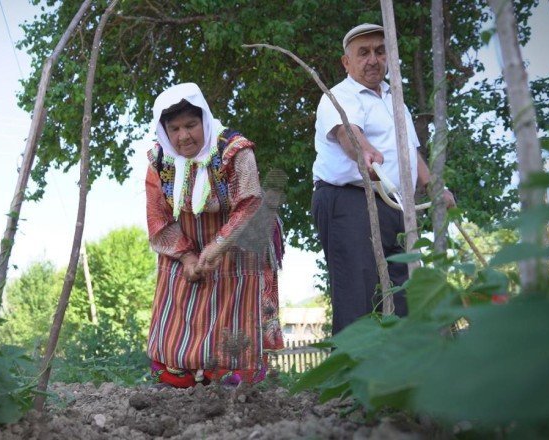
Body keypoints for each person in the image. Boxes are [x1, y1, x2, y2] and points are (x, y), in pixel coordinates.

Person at [311, 24, 456, 335]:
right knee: (356, 291)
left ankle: (406, 375)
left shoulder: (395, 98)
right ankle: (350, 380)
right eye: (363, 53)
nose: (373, 59)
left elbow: (410, 153)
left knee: (407, 289)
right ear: (346, 62)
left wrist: (433, 185)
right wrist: (364, 152)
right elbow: (348, 133)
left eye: (379, 50)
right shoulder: (339, 95)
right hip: (349, 200)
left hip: (394, 203)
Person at [144, 82, 285, 387]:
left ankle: (229, 377)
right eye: (175, 128)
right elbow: (158, 218)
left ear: (205, 120)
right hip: (186, 241)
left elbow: (249, 204)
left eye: (191, 125)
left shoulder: (234, 150)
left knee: (235, 308)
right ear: (164, 131)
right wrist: (188, 256)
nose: (184, 136)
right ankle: (180, 374)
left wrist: (216, 248)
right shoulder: (159, 161)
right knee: (178, 300)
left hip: (239, 241)